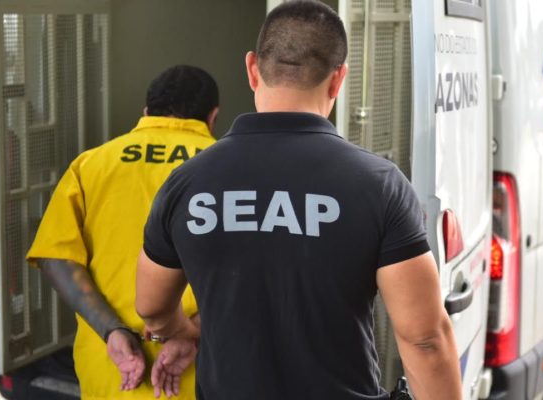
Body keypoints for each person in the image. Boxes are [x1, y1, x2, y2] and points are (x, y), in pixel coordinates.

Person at [135, 2, 462, 399]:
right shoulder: (379, 185)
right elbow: (425, 340)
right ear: (338, 80)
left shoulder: (188, 182)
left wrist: (182, 332)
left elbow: (151, 307)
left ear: (252, 69)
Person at [26, 65, 219, 399]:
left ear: (146, 113)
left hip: (113, 371)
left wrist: (111, 330)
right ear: (212, 117)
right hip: (201, 370)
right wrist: (193, 331)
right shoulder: (229, 170)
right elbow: (257, 270)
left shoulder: (91, 165)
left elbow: (56, 258)